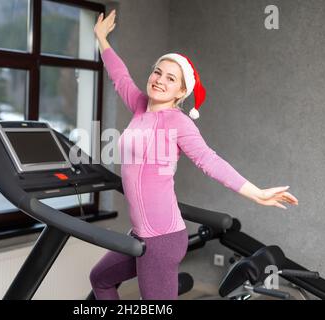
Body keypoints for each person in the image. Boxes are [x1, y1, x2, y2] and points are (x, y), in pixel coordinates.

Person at [89, 10, 299, 300]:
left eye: (170, 78)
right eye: (157, 72)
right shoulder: (140, 106)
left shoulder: (178, 121)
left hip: (161, 239)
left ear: (181, 91)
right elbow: (120, 76)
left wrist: (256, 193)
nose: (160, 80)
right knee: (100, 278)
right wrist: (101, 38)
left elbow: (209, 160)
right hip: (139, 233)